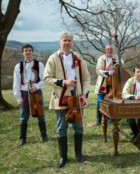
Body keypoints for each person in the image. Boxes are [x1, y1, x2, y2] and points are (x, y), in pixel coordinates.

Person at [43, 31, 91, 168]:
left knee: (78, 127)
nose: (67, 43)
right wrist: (64, 82)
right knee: (61, 128)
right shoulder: (53, 58)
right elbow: (46, 78)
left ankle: (78, 154)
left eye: (69, 40)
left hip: (77, 98)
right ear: (60, 42)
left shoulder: (78, 58)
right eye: (64, 40)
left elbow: (87, 77)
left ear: (72, 42)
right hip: (61, 98)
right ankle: (63, 157)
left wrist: (84, 93)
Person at [13, 44, 49, 147]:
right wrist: (18, 98)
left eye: (29, 50)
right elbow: (16, 83)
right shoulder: (18, 66)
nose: (28, 52)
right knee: (23, 117)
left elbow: (45, 80)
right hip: (24, 93)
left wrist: (36, 87)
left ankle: (44, 136)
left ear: (32, 52)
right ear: (22, 53)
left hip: (37, 93)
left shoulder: (39, 65)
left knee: (40, 115)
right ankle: (22, 139)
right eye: (26, 51)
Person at [94, 45, 120, 125]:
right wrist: (108, 72)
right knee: (100, 100)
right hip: (103, 82)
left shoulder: (115, 58)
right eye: (108, 49)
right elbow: (98, 71)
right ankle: (99, 119)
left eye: (111, 49)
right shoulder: (101, 59)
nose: (109, 50)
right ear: (105, 51)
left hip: (113, 83)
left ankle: (109, 117)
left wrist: (115, 63)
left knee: (110, 100)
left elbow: (122, 63)